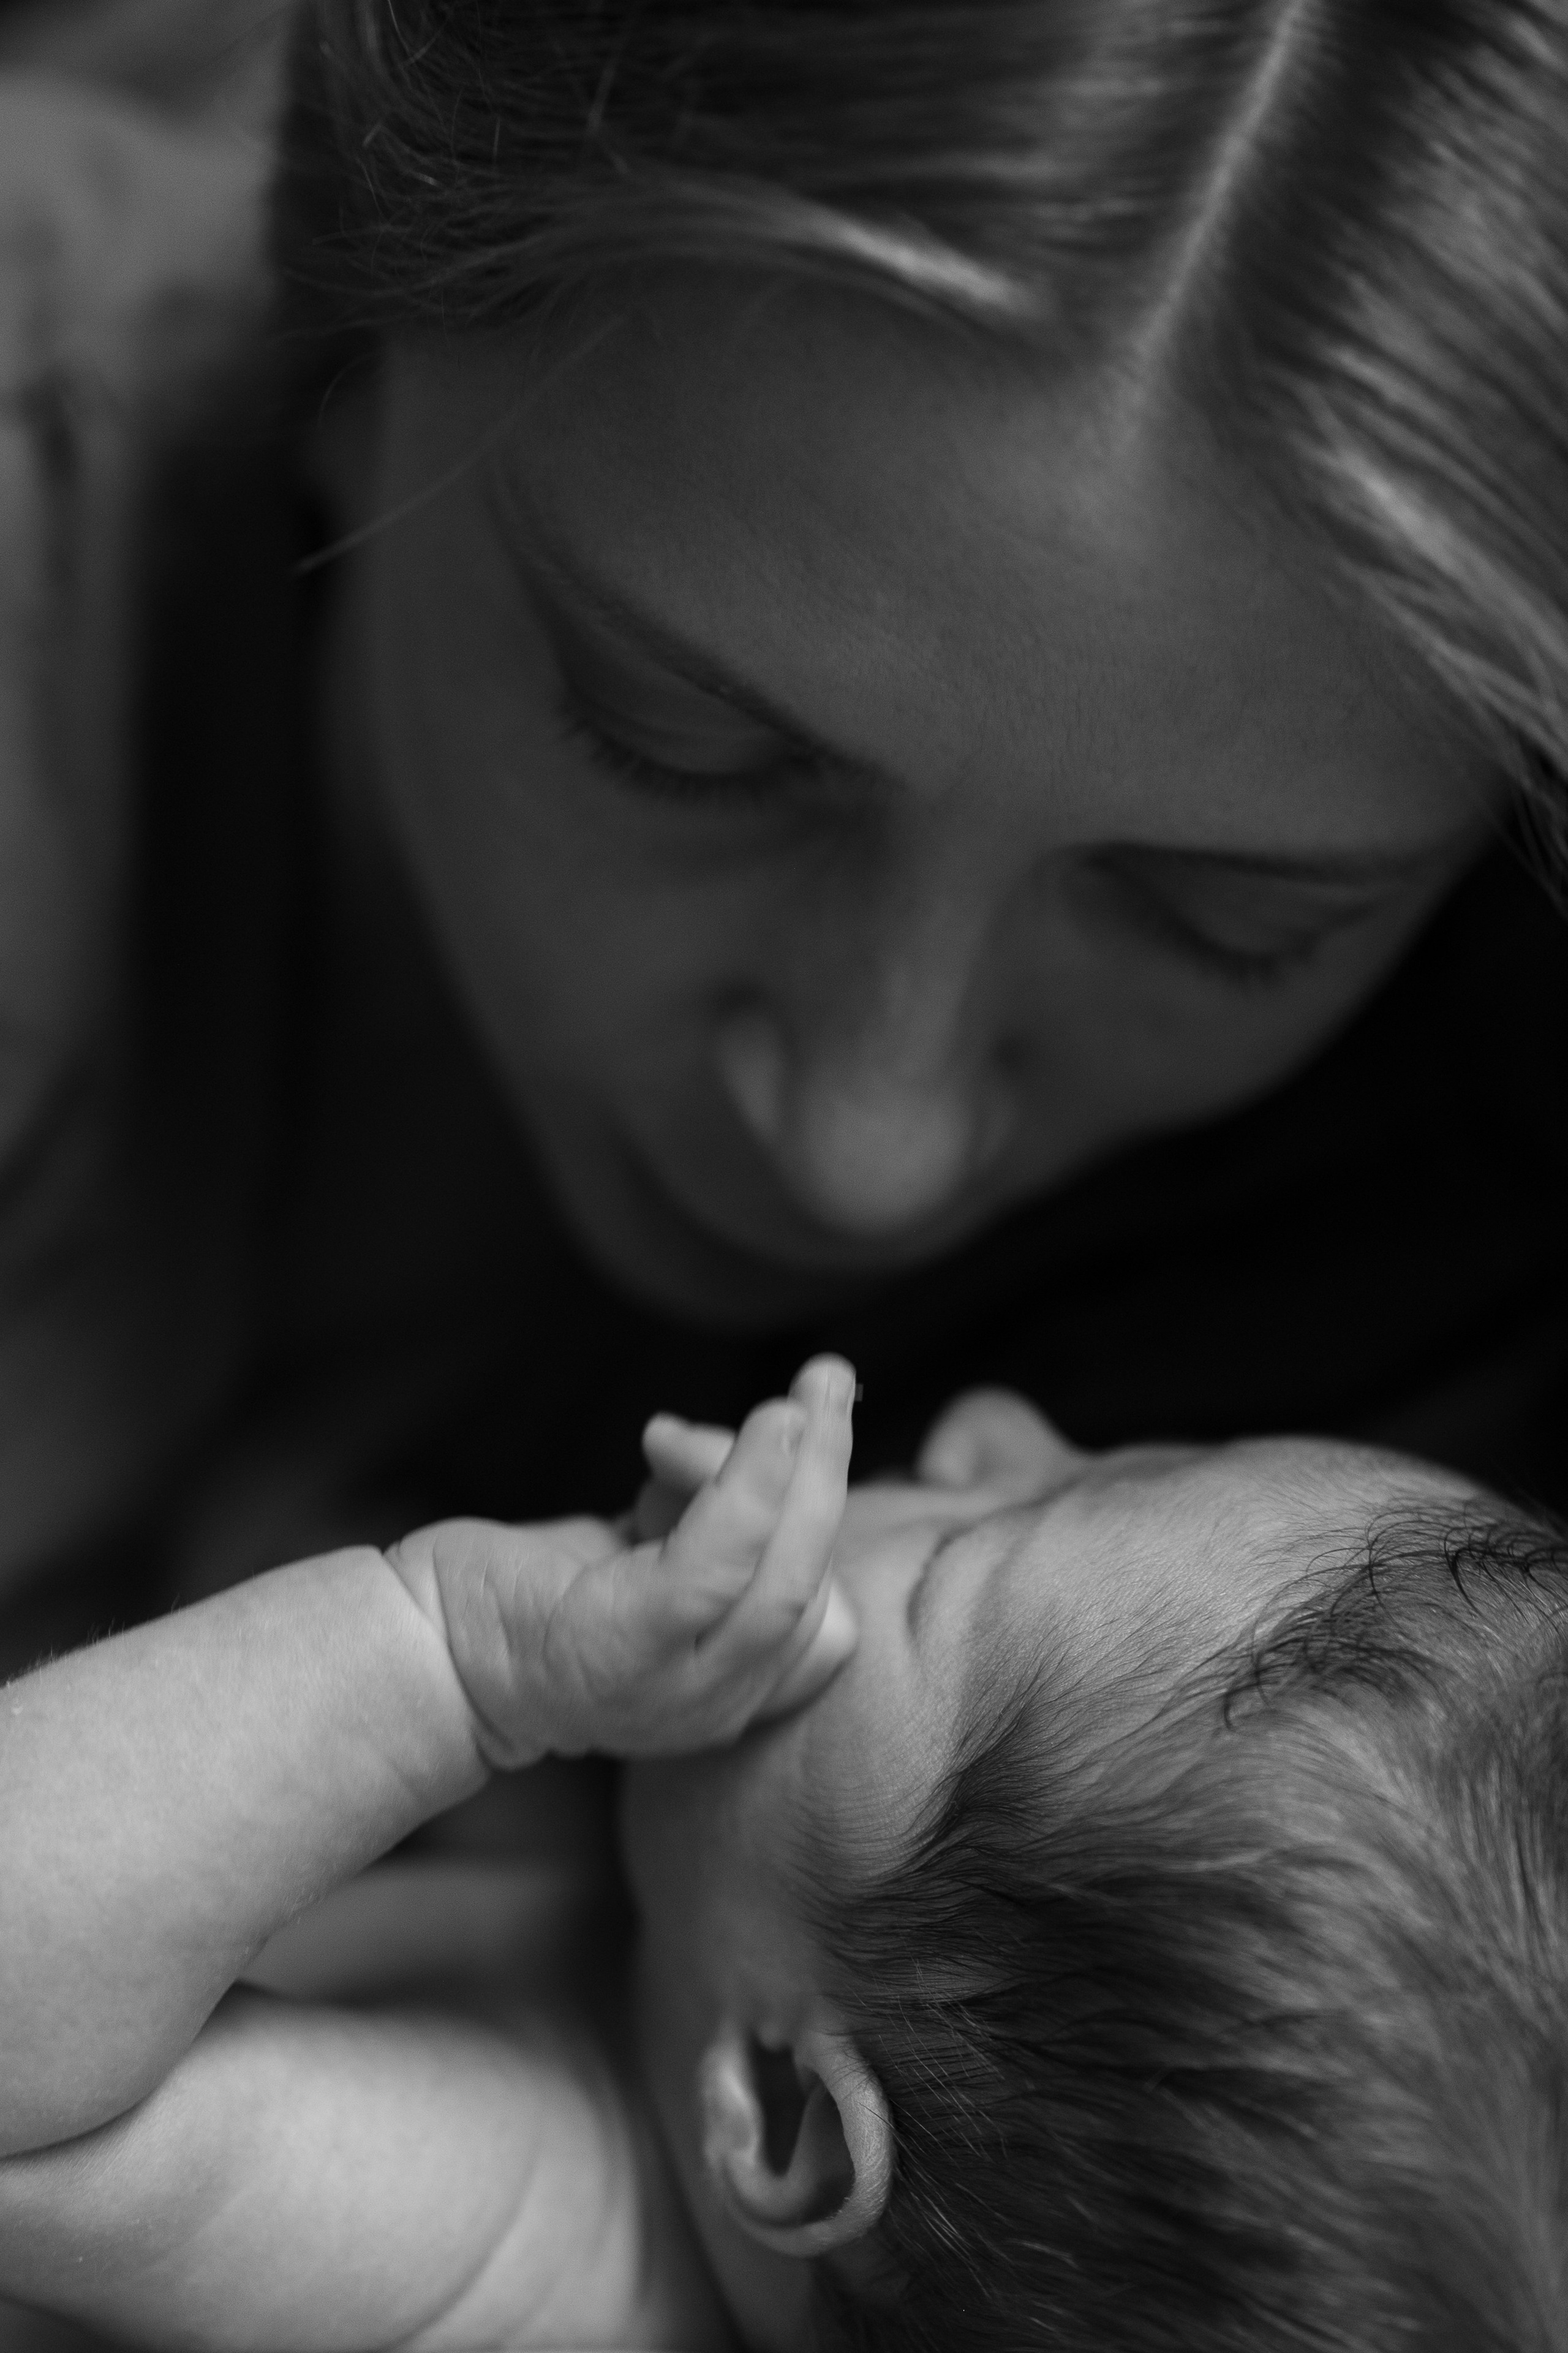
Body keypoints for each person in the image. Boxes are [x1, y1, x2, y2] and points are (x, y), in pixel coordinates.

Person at [0, 0, 1565, 1669]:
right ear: (347, 333)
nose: (862, 1146)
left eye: (1225, 927)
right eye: (678, 743)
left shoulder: (1460, 1198)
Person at [1, 1356, 1565, 2351]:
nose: (987, 1423)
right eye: (1131, 1454)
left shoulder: (530, 2236)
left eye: (971, 1542)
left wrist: (450, 1660)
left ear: (785, 2113)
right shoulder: (667, 1988)